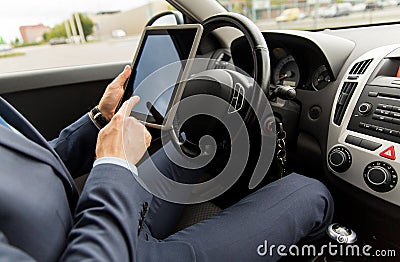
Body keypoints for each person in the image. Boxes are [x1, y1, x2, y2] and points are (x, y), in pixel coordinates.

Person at [0, 65, 334, 261]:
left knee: (191, 148)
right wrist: (114, 166)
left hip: (88, 215)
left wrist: (100, 121)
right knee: (309, 192)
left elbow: (26, 162)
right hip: (104, 249)